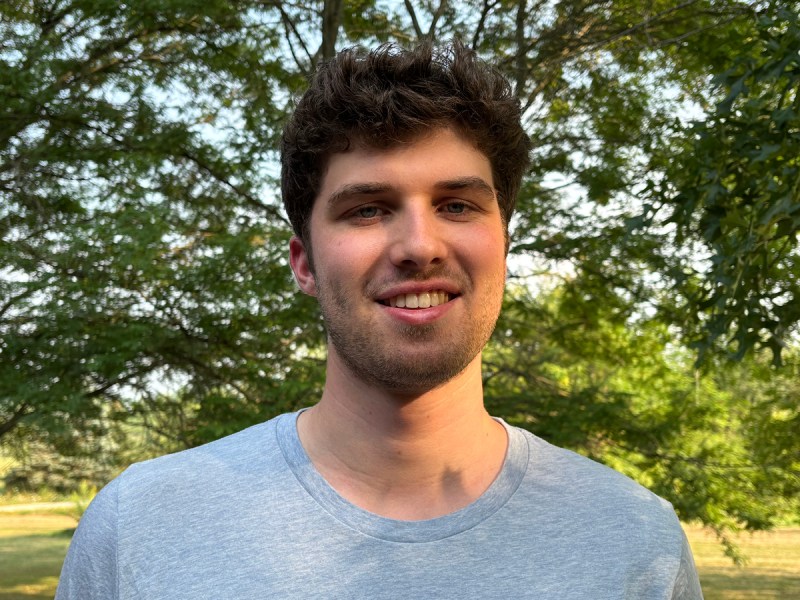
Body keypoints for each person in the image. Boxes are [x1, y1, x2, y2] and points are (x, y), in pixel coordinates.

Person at [56, 41, 704, 599]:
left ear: (504, 246)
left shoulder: (633, 542)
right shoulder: (141, 528)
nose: (420, 245)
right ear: (304, 262)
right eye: (367, 209)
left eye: (456, 204)